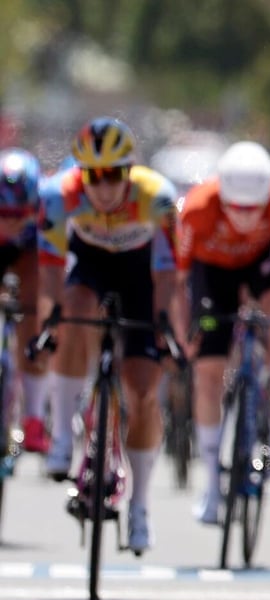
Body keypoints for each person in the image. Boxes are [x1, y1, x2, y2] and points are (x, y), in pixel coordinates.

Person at [38, 117, 180, 553]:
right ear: (80, 173)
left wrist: (162, 325)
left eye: (113, 174)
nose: (102, 186)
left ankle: (140, 506)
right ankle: (63, 433)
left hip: (140, 276)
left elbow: (169, 271)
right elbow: (49, 272)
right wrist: (49, 320)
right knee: (73, 312)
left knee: (141, 391)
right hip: (90, 266)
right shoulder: (59, 198)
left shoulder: (156, 198)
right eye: (92, 175)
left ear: (128, 170)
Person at [172, 141, 270, 524]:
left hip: (258, 267)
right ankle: (209, 483)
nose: (244, 216)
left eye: (253, 209)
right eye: (236, 208)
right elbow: (178, 280)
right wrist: (180, 332)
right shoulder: (197, 209)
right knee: (208, 374)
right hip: (212, 274)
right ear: (222, 196)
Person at [0, 149, 50, 454]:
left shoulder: (48, 208)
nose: (12, 222)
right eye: (3, 215)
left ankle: (33, 417)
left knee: (35, 315)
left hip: (31, 254)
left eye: (20, 214)